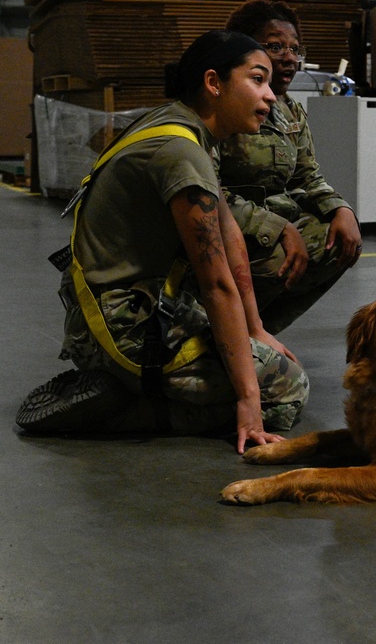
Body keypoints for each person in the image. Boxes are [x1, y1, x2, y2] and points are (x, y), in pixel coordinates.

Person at [17, 31, 309, 454]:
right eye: (258, 80)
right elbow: (216, 284)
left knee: (259, 361)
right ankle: (124, 407)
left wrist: (256, 330)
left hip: (136, 301)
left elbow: (229, 237)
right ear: (214, 84)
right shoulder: (180, 151)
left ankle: (135, 388)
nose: (270, 97)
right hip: (121, 325)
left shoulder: (182, 126)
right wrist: (249, 400)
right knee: (286, 389)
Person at [219, 0, 362, 333]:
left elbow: (307, 175)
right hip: (230, 231)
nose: (289, 58)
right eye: (275, 46)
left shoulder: (290, 111)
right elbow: (210, 193)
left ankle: (257, 334)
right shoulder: (221, 108)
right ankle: (227, 334)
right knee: (280, 261)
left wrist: (340, 209)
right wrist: (278, 228)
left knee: (341, 243)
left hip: (275, 224)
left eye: (295, 49)